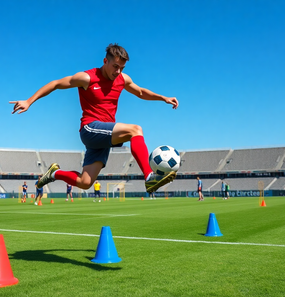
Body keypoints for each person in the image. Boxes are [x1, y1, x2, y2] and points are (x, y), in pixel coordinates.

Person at [10, 43, 178, 194]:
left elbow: (140, 92)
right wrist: (29, 101)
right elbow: (55, 84)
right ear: (105, 61)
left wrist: (163, 98)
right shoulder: (87, 78)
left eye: (122, 68)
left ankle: (54, 173)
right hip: (90, 128)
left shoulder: (122, 79)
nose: (118, 71)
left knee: (85, 182)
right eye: (115, 66)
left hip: (105, 135)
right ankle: (149, 176)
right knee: (135, 130)